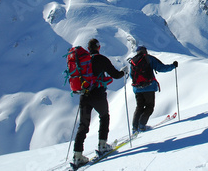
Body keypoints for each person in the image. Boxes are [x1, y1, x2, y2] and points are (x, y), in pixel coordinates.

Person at [73, 38, 129, 167]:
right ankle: (102, 144)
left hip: (84, 96)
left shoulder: (82, 62)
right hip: (98, 95)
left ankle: (77, 155)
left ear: (88, 49)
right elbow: (115, 74)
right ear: (98, 47)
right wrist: (123, 72)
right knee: (104, 117)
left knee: (83, 125)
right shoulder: (101, 59)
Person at [130, 46, 178, 133]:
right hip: (149, 87)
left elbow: (131, 75)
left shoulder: (133, 61)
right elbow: (161, 68)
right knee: (149, 107)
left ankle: (134, 127)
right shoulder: (149, 59)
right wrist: (173, 66)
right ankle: (141, 125)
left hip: (137, 88)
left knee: (139, 107)